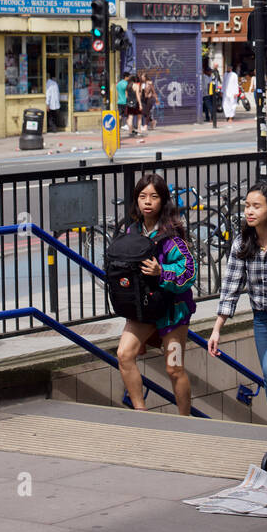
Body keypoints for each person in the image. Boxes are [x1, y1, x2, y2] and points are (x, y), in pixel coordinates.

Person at [207, 181, 267, 404]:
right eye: (247, 205)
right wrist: (217, 329)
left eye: (256, 206)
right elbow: (230, 287)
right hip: (263, 321)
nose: (249, 211)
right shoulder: (242, 243)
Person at [115, 173, 197, 416]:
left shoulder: (172, 235)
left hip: (172, 312)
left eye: (153, 196)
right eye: (142, 197)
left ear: (163, 201)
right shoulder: (131, 231)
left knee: (174, 369)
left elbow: (189, 271)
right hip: (143, 310)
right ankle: (142, 413)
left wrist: (162, 271)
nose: (147, 202)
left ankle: (186, 421)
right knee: (123, 354)